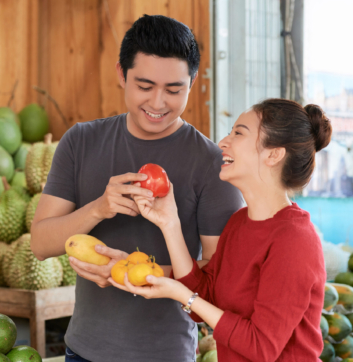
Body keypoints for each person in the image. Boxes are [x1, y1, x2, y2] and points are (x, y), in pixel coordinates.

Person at [31, 14, 243, 362]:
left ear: (192, 82)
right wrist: (100, 207)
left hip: (166, 355)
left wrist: (131, 272)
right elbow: (40, 244)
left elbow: (219, 280)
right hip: (82, 351)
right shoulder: (81, 142)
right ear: (121, 74)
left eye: (174, 90)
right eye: (145, 86)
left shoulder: (211, 163)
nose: (158, 103)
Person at [110, 99, 332, 361]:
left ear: (273, 154)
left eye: (238, 133)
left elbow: (261, 348)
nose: (222, 143)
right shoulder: (238, 223)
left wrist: (179, 293)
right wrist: (169, 224)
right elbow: (203, 299)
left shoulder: (295, 240)